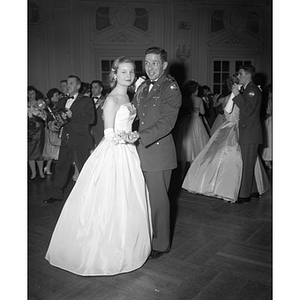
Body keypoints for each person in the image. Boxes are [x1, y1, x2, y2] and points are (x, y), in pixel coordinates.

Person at [45, 57, 152, 276]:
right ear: (114, 74)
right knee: (109, 199)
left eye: (131, 72)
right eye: (123, 72)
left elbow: (129, 124)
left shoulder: (129, 96)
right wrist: (127, 138)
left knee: (129, 198)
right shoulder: (112, 99)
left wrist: (132, 135)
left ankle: (128, 244)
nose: (129, 75)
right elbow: (109, 134)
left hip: (128, 151)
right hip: (115, 151)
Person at [182, 75, 270, 203]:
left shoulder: (230, 98)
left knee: (234, 157)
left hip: (232, 128)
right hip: (237, 128)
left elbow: (226, 113)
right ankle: (239, 189)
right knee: (237, 157)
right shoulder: (236, 97)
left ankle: (245, 189)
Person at [132, 46, 182, 259]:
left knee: (159, 201)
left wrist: (140, 136)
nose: (150, 67)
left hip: (158, 153)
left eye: (154, 63)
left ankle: (161, 244)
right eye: (146, 63)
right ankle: (145, 235)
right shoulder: (143, 87)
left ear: (164, 65)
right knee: (142, 197)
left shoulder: (170, 88)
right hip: (139, 151)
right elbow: (135, 113)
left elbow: (166, 123)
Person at [43, 75, 95, 204]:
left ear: (78, 86)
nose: (68, 85)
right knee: (61, 168)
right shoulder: (62, 100)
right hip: (66, 139)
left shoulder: (86, 101)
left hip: (80, 140)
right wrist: (51, 123)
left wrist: (73, 115)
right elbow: (51, 115)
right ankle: (56, 195)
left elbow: (91, 119)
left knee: (84, 169)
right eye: (67, 83)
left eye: (71, 83)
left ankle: (90, 195)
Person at [232, 64, 264, 202]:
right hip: (249, 131)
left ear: (248, 75)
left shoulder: (252, 90)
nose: (238, 76)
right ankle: (253, 190)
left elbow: (247, 110)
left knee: (246, 163)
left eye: (240, 74)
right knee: (249, 162)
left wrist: (237, 95)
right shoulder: (249, 89)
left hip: (250, 132)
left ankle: (244, 195)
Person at [174, 80, 209, 177]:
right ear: (194, 89)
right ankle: (194, 174)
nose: (198, 90)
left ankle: (181, 174)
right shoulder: (199, 99)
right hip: (196, 123)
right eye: (197, 89)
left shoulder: (184, 99)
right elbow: (202, 112)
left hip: (186, 123)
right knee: (197, 146)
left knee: (186, 146)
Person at [28, 86, 47, 180]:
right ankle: (33, 173)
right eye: (28, 93)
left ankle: (41, 172)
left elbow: (45, 117)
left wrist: (40, 113)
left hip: (38, 130)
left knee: (39, 151)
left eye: (32, 93)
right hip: (27, 130)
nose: (30, 95)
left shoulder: (40, 103)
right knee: (29, 152)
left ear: (36, 94)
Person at [42, 88, 61, 175]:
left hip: (56, 129)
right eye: (56, 95)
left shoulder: (58, 106)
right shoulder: (49, 108)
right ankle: (48, 167)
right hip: (51, 130)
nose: (58, 97)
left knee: (55, 150)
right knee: (52, 149)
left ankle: (48, 167)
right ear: (51, 98)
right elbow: (48, 119)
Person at [90, 80, 106, 147]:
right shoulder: (87, 100)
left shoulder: (105, 100)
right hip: (90, 129)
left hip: (100, 128)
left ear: (101, 89)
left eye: (95, 87)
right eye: (92, 87)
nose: (93, 89)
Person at [260, 84, 272, 169]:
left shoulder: (270, 100)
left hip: (271, 121)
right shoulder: (270, 100)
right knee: (269, 139)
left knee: (270, 139)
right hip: (270, 121)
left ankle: (268, 159)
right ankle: (267, 159)